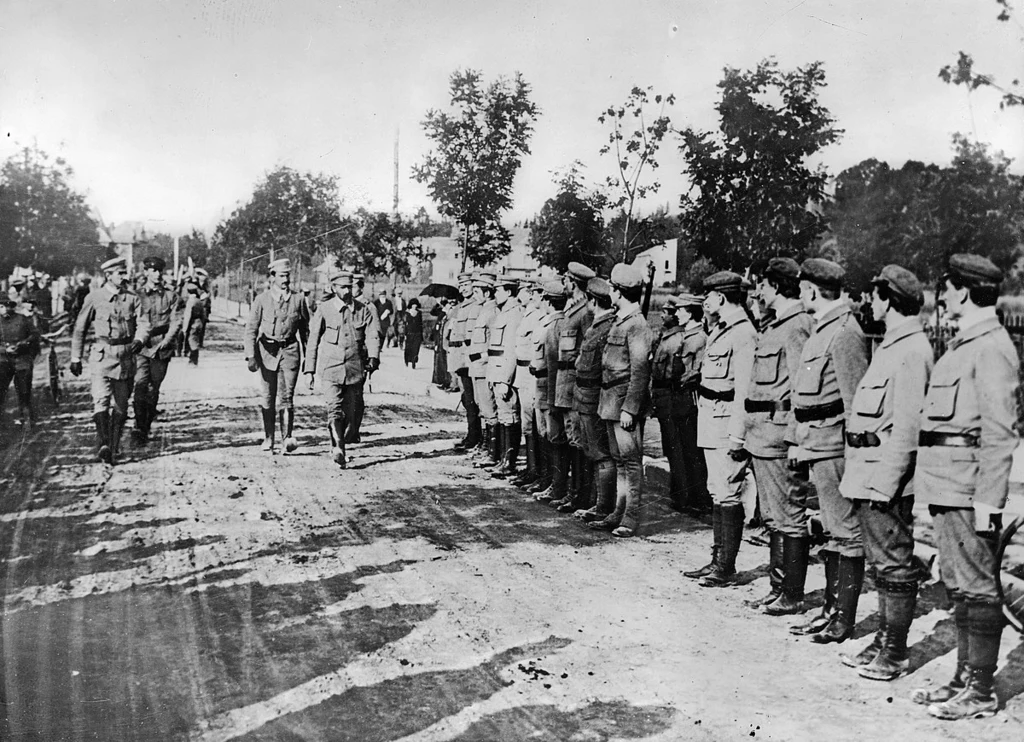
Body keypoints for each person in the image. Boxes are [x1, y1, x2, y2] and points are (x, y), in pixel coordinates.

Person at [910, 254, 1018, 720]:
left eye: (949, 288)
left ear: (966, 291)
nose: (943, 296)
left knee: (978, 588)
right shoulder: (964, 343)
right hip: (944, 483)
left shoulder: (991, 346)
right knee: (958, 586)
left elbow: (1000, 432)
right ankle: (962, 679)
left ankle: (981, 690)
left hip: (968, 489)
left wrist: (988, 502)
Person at [834, 264, 933, 681]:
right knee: (880, 564)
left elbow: (908, 429)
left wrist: (884, 484)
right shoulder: (894, 345)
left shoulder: (912, 350)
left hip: (884, 478)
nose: (867, 305)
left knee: (894, 565)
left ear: (889, 299)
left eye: (874, 297)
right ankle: (882, 641)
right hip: (868, 471)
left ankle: (895, 653)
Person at [788, 258, 869, 643]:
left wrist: (855, 457)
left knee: (846, 531)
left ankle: (843, 619)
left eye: (802, 287)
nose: (800, 292)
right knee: (831, 531)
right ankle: (828, 611)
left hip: (836, 445)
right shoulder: (823, 329)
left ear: (811, 289)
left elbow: (855, 401)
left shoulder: (844, 332)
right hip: (815, 442)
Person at [742, 258, 815, 610]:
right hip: (762, 434)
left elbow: (805, 385)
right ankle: (779, 588)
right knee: (773, 517)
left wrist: (798, 437)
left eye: (762, 285)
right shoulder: (775, 325)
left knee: (789, 515)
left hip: (780, 435)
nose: (758, 292)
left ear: (775, 286)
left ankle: (792, 594)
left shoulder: (797, 326)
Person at [684, 271, 757, 583]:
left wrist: (738, 436)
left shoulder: (742, 333)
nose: (705, 301)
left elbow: (744, 390)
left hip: (727, 423)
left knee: (728, 493)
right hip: (712, 419)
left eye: (709, 295)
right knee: (718, 492)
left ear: (722, 298)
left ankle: (725, 566)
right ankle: (717, 559)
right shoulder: (721, 328)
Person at [590, 263, 654, 538]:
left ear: (619, 291)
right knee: (618, 461)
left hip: (623, 405)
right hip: (610, 401)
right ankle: (618, 510)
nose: (610, 293)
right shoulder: (621, 320)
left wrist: (630, 408)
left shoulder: (637, 325)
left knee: (630, 462)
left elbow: (640, 372)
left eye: (613, 289)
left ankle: (631, 516)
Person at [70, 257, 150, 463]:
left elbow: (143, 322)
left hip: (125, 356)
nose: (124, 276)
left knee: (122, 404)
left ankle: (114, 446)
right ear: (109, 275)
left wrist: (140, 339)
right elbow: (80, 328)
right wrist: (75, 357)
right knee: (101, 399)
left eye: (125, 273)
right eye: (120, 273)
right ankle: (104, 443)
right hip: (102, 354)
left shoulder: (132, 298)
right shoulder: (94, 298)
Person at [304, 269, 380, 468]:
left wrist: (374, 357)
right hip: (330, 369)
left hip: (355, 369)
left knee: (352, 413)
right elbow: (312, 340)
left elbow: (372, 335)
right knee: (334, 408)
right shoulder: (324, 309)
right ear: (333, 288)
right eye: (342, 287)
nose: (347, 291)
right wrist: (309, 370)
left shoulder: (363, 309)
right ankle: (339, 450)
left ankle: (340, 443)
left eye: (350, 287)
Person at [243, 258, 309, 453]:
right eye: (282, 276)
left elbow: (306, 332)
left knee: (287, 396)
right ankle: (269, 437)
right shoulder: (261, 300)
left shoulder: (298, 300)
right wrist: (250, 356)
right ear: (272, 277)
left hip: (290, 352)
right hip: (266, 352)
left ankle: (286, 439)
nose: (286, 280)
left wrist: (308, 360)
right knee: (268, 396)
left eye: (288, 275)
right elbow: (251, 330)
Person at [570, 276, 617, 520]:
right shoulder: (597, 326)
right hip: (585, 398)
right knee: (594, 452)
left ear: (593, 300)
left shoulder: (605, 328)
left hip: (594, 399)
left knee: (601, 454)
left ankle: (603, 506)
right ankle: (598, 503)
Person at [132, 256, 183, 445]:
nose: (157, 274)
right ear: (145, 272)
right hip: (141, 347)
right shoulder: (135, 295)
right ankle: (138, 426)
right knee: (140, 384)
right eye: (152, 270)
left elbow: (176, 321)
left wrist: (167, 341)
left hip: (161, 346)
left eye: (159, 270)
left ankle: (145, 425)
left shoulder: (171, 296)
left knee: (153, 387)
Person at [510, 277, 547, 489]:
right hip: (523, 373)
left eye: (533, 292)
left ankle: (537, 471)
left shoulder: (538, 316)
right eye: (529, 291)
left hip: (532, 374)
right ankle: (532, 469)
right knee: (527, 424)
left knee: (534, 424)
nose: (530, 295)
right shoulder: (528, 314)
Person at [485, 274, 524, 478]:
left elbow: (510, 350)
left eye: (498, 290)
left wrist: (505, 380)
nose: (494, 293)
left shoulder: (514, 314)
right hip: (496, 369)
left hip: (503, 373)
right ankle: (503, 459)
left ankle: (509, 463)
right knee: (503, 416)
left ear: (508, 292)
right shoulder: (502, 312)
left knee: (509, 417)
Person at [467, 273, 499, 467]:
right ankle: (487, 447)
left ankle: (492, 452)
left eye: (477, 291)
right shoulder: (483, 310)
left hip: (485, 367)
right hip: (477, 367)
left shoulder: (492, 312)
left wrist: (483, 360)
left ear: (487, 293)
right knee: (482, 408)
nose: (475, 294)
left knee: (490, 410)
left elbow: (494, 344)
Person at [345, 272, 380, 443]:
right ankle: (346, 427)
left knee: (356, 394)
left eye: (354, 285)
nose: (350, 289)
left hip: (361, 356)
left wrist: (372, 357)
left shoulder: (368, 307)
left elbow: (376, 332)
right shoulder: (344, 304)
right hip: (345, 356)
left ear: (360, 287)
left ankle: (353, 429)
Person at [449, 272, 482, 451]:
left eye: (466, 285)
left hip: (470, 361)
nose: (463, 289)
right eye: (461, 286)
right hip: (461, 361)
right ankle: (472, 434)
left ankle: (476, 437)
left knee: (474, 400)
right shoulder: (462, 306)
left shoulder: (476, 307)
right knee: (467, 399)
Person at [0, 295, 40, 429]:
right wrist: (4, 349)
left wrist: (23, 344)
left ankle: (25, 415)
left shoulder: (22, 319)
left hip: (21, 358)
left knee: (24, 389)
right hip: (3, 359)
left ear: (10, 306)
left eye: (2, 306)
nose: (1, 310)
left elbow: (34, 335)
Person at [431, 297, 453, 389]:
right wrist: (439, 304)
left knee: (444, 362)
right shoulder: (442, 313)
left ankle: (446, 381)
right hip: (439, 340)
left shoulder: (451, 313)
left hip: (445, 340)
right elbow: (433, 312)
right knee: (440, 361)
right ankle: (441, 381)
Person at [404, 298, 424, 368]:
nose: (414, 306)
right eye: (413, 304)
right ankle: (407, 360)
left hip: (417, 333)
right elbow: (405, 324)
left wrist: (421, 334)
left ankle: (414, 361)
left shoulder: (419, 313)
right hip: (409, 333)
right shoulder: (407, 313)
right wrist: (405, 334)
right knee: (408, 348)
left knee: (416, 347)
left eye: (415, 304)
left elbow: (421, 324)